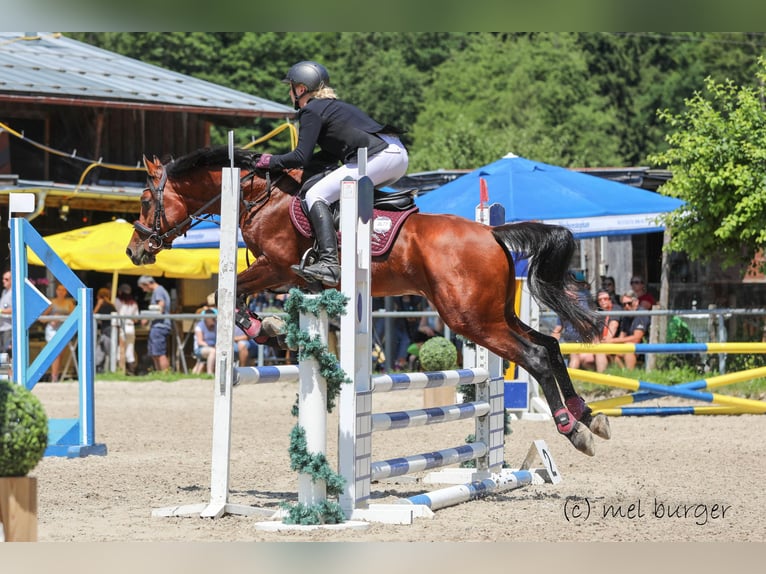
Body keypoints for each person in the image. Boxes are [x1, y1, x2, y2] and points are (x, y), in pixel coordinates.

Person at [255, 61, 409, 286]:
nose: (289, 93)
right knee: (335, 190)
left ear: (301, 89)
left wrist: (270, 161)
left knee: (315, 195)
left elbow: (301, 157)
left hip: (379, 156)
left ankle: (329, 261)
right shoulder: (330, 108)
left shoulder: (310, 111)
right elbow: (325, 156)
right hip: (396, 154)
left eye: (290, 88)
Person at [39, 282, 76, 381]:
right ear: (56, 291)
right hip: (52, 331)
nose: (61, 292)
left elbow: (74, 317)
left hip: (63, 330)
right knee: (55, 353)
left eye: (63, 290)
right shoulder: (52, 302)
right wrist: (52, 319)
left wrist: (61, 319)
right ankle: (54, 377)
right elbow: (41, 318)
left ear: (66, 292)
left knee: (60, 354)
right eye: (59, 290)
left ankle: (56, 375)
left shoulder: (69, 303)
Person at [138, 275, 172, 373]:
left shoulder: (158, 291)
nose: (144, 290)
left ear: (147, 284)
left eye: (143, 287)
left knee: (159, 352)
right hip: (157, 326)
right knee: (154, 353)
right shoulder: (159, 291)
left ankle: (165, 374)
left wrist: (146, 317)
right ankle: (159, 373)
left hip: (160, 326)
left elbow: (160, 307)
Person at [610, 292, 650, 369]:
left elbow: (636, 338)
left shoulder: (642, 314)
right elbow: (622, 335)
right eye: (624, 305)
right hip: (629, 344)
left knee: (628, 348)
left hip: (643, 347)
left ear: (636, 302)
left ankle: (630, 374)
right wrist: (612, 342)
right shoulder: (626, 316)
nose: (627, 306)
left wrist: (613, 340)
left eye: (629, 303)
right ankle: (623, 372)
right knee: (610, 348)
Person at [114, 283, 139, 374]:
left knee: (120, 349)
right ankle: (131, 371)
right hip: (131, 327)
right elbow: (136, 319)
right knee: (130, 349)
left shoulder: (117, 301)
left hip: (121, 327)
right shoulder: (134, 303)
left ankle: (120, 370)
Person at [593, 289, 621, 372]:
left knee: (600, 351)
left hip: (617, 341)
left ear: (610, 299)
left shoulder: (616, 309)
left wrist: (605, 341)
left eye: (605, 299)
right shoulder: (600, 313)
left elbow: (613, 326)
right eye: (600, 300)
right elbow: (596, 333)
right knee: (584, 356)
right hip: (604, 342)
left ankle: (601, 378)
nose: (602, 301)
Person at [93, 287, 117, 373]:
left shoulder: (103, 306)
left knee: (105, 350)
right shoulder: (112, 305)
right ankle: (101, 369)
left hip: (106, 332)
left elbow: (92, 315)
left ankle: (102, 369)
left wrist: (98, 305)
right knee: (102, 350)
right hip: (109, 331)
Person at [192, 309, 217, 375]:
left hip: (212, 347)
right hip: (200, 348)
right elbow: (200, 342)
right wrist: (212, 347)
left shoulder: (216, 325)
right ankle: (210, 373)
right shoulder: (200, 326)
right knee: (213, 352)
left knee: (217, 351)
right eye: (212, 318)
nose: (214, 320)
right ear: (207, 318)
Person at [0, 270, 12, 355]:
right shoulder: (4, 292)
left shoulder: (14, 292)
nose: (3, 281)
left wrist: (1, 311)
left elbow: (16, 309)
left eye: (6, 279)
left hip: (9, 328)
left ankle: (11, 369)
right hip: (2, 328)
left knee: (8, 354)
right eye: (3, 279)